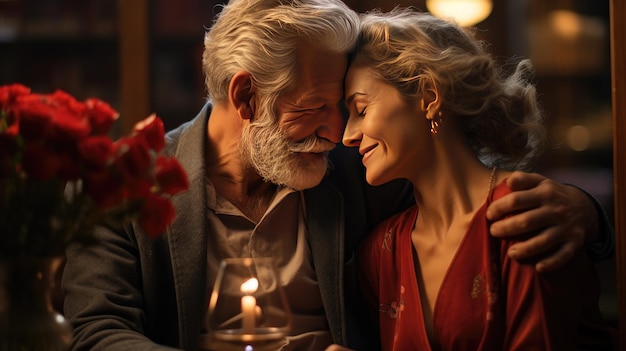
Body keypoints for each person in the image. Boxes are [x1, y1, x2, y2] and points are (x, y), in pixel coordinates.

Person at [62, 0, 614, 350]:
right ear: (247, 96)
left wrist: (586, 213)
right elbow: (96, 331)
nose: (338, 131)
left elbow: (460, 183)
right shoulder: (126, 182)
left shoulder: (359, 174)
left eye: (349, 106)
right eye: (318, 106)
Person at [342, 8, 616, 351]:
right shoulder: (380, 255)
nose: (347, 136)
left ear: (428, 96)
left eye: (361, 109)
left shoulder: (527, 218)